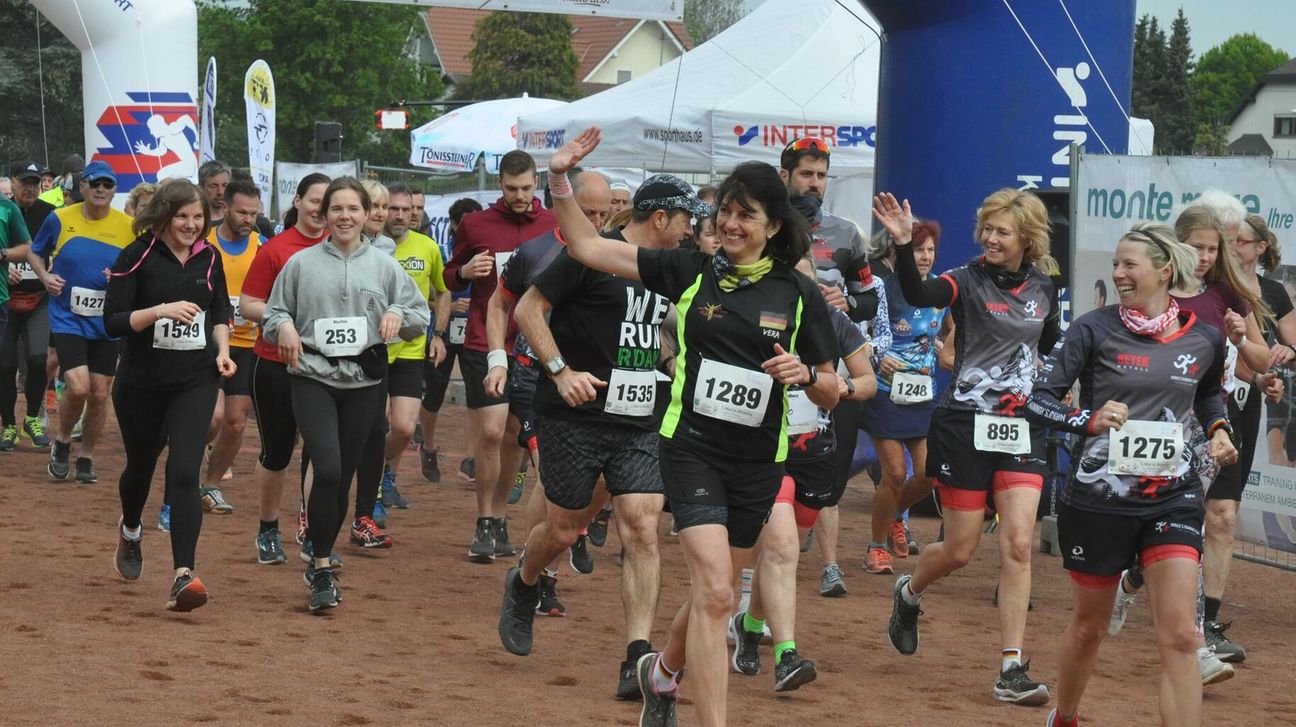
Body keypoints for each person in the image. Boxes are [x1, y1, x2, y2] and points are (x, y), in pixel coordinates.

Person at [537, 127, 839, 727]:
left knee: (714, 591)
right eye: (725, 211)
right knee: (719, 593)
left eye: (745, 215)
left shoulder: (799, 294)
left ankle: (661, 673)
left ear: (772, 226)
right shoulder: (692, 271)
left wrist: (805, 374)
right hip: (691, 448)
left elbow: (831, 387)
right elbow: (587, 247)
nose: (730, 224)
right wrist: (559, 178)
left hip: (758, 461)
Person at [1026, 222, 1235, 727]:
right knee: (1088, 629)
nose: (1118, 273)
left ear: (1164, 271)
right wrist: (1088, 419)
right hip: (1099, 499)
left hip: (1173, 495)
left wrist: (1219, 428)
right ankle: (1065, 716)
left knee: (1181, 635)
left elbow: (1208, 393)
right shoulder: (1092, 329)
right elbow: (1039, 401)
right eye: (1115, 263)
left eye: (1129, 264)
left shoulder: (1205, 337)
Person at [498, 171, 684, 704]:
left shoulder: (672, 270)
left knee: (642, 525)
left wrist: (670, 362)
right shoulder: (594, 253)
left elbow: (656, 331)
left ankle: (637, 657)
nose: (692, 230)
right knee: (563, 528)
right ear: (660, 218)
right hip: (574, 416)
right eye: (686, 220)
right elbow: (527, 309)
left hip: (639, 419)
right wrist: (560, 371)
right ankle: (525, 580)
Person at [874, 188, 1060, 706]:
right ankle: (909, 592)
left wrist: (1057, 387)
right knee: (960, 549)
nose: (991, 238)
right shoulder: (964, 279)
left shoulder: (1045, 287)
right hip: (964, 424)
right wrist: (905, 245)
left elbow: (1050, 345)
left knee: (1018, 544)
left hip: (1020, 426)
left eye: (1002, 231)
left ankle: (1011, 668)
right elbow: (919, 293)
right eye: (987, 229)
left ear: (1027, 237)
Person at [1107, 199, 1278, 677]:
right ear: (1174, 246)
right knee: (1173, 528)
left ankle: (1199, 636)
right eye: (1195, 247)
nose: (1203, 257)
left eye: (1211, 249)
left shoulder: (1226, 293)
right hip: (1157, 425)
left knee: (1207, 523)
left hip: (1211, 423)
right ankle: (1136, 585)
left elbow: (1260, 360)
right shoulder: (1154, 292)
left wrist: (1241, 338)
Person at [262, 177, 429, 611]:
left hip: (364, 383)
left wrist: (397, 313)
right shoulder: (300, 264)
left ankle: (320, 553)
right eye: (336, 208)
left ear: (365, 214)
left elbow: (419, 316)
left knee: (343, 476)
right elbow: (273, 313)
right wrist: (283, 326)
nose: (345, 217)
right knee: (329, 468)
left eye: (353, 209)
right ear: (324, 214)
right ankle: (321, 566)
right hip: (312, 376)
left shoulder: (385, 266)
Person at [733, 255, 877, 691]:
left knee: (785, 551)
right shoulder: (754, 317)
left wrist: (837, 386)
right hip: (767, 451)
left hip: (816, 454)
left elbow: (868, 380)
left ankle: (750, 625)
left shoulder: (832, 322)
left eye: (807, 281)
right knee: (781, 548)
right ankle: (786, 655)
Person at [104, 179, 236, 613]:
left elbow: (219, 310)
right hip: (141, 382)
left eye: (198, 217)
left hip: (195, 379)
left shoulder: (209, 256)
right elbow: (113, 322)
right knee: (141, 466)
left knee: (183, 470)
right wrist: (161, 310)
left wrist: (223, 351)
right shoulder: (137, 254)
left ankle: (183, 575)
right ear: (164, 215)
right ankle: (131, 529)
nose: (191, 225)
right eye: (182, 216)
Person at [779, 136, 881, 597]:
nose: (814, 183)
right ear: (785, 176)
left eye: (821, 175)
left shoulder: (846, 234)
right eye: (806, 174)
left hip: (832, 369)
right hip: (776, 363)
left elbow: (869, 299)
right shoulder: (766, 225)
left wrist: (847, 302)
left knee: (829, 474)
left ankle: (824, 558)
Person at [443, 150, 555, 561]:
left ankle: (502, 515)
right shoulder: (476, 224)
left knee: (513, 437)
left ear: (536, 182)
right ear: (499, 184)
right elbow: (449, 276)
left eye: (525, 188)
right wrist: (464, 272)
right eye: (511, 189)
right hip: (484, 341)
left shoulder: (553, 224)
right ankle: (484, 520)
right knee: (490, 432)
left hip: (534, 345)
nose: (519, 196)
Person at [239, 173, 331, 565]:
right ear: (297, 201)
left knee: (322, 453)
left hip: (325, 366)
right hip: (275, 363)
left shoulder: (342, 248)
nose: (320, 210)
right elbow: (248, 304)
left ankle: (313, 533)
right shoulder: (276, 250)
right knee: (277, 453)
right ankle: (268, 529)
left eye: (327, 203)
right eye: (314, 201)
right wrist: (286, 321)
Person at [29, 161, 135, 483]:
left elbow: (137, 267)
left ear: (114, 191)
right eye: (95, 183)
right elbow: (35, 251)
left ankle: (87, 455)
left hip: (106, 319)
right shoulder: (60, 218)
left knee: (100, 393)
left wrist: (121, 279)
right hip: (67, 317)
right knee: (78, 386)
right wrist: (45, 277)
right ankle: (62, 442)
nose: (101, 190)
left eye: (108, 185)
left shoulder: (129, 226)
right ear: (83, 187)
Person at [859, 220, 949, 576]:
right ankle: (876, 546)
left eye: (930, 250)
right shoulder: (883, 288)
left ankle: (896, 515)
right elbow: (861, 332)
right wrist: (877, 358)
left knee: (928, 474)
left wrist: (945, 350)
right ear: (899, 253)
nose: (925, 257)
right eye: (918, 250)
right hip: (885, 393)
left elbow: (950, 332)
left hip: (922, 394)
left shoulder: (939, 290)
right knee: (895, 473)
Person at [193, 178, 267, 521]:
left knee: (236, 424)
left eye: (253, 213)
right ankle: (186, 467)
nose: (248, 219)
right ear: (224, 207)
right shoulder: (202, 243)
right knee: (213, 418)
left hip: (248, 346)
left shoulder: (262, 246)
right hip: (207, 343)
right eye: (242, 212)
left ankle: (210, 485)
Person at [379, 182, 449, 514]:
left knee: (405, 428)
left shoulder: (427, 247)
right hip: (375, 349)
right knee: (377, 426)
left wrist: (439, 334)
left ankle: (383, 474)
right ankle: (375, 486)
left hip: (410, 349)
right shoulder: (369, 247)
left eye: (406, 210)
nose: (400, 215)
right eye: (393, 209)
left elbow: (443, 291)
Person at [421, 197, 481, 483]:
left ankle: (470, 459)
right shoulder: (440, 251)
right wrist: (449, 307)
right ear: (455, 225)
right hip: (441, 334)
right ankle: (428, 448)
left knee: (476, 396)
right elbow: (423, 297)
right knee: (434, 393)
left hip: (473, 334)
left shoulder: (486, 255)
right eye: (467, 222)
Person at [0, 171, 40, 451]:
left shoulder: (8, 209)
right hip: (9, 300)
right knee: (5, 366)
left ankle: (32, 418)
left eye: (35, 182)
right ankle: (9, 425)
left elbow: (27, 249)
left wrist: (3, 255)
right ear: (14, 182)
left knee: (37, 360)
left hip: (27, 300)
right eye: (25, 182)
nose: (30, 187)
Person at [359, 180, 396, 256]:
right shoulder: (343, 243)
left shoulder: (388, 246)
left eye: (384, 207)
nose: (381, 214)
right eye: (374, 206)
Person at [197, 160, 231, 225]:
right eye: (213, 186)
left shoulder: (237, 220)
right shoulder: (195, 223)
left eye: (225, 186)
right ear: (201, 187)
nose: (220, 192)